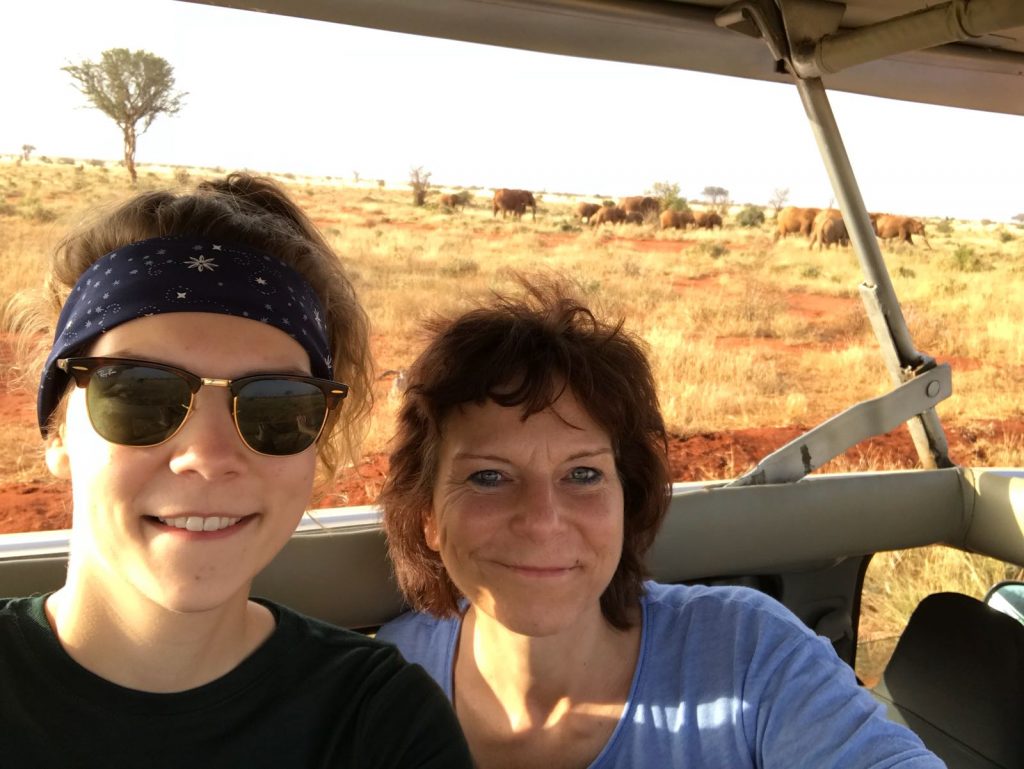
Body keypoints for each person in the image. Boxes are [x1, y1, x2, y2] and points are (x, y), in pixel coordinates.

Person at [0, 174, 472, 768]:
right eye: (139, 394)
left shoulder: (378, 723)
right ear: (57, 431)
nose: (210, 455)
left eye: (279, 406)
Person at [376, 280, 944, 768]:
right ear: (427, 515)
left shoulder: (745, 654)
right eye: (489, 478)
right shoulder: (388, 681)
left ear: (629, 498)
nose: (543, 522)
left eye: (582, 474)